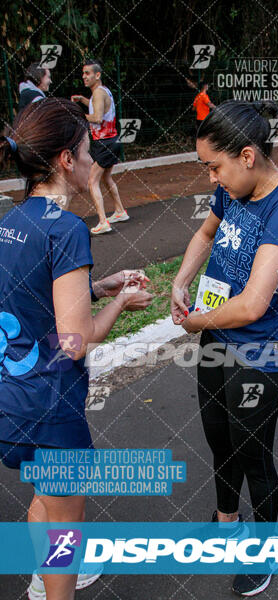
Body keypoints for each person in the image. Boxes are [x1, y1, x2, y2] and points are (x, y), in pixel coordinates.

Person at [171, 99, 278, 596]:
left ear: (246, 155)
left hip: (260, 355)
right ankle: (226, 523)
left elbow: (255, 304)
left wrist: (196, 320)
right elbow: (205, 231)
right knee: (220, 440)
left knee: (253, 456)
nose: (211, 179)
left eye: (213, 167)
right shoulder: (232, 189)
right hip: (218, 341)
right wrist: (181, 280)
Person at [0, 97, 153, 600]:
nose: (93, 159)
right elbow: (76, 339)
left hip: (11, 395)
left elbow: (29, 292)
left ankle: (42, 579)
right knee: (67, 521)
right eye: (87, 150)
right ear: (66, 160)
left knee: (45, 499)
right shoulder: (67, 229)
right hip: (51, 402)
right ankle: (54, 587)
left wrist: (100, 286)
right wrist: (123, 302)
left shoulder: (11, 221)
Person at [71, 59, 129, 234]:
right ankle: (119, 211)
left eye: (87, 73)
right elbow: (99, 109)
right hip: (112, 141)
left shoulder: (98, 93)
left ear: (97, 75)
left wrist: (78, 113)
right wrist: (83, 100)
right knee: (106, 178)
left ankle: (103, 221)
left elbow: (97, 118)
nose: (84, 77)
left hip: (105, 143)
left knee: (92, 180)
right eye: (83, 73)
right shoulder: (102, 92)